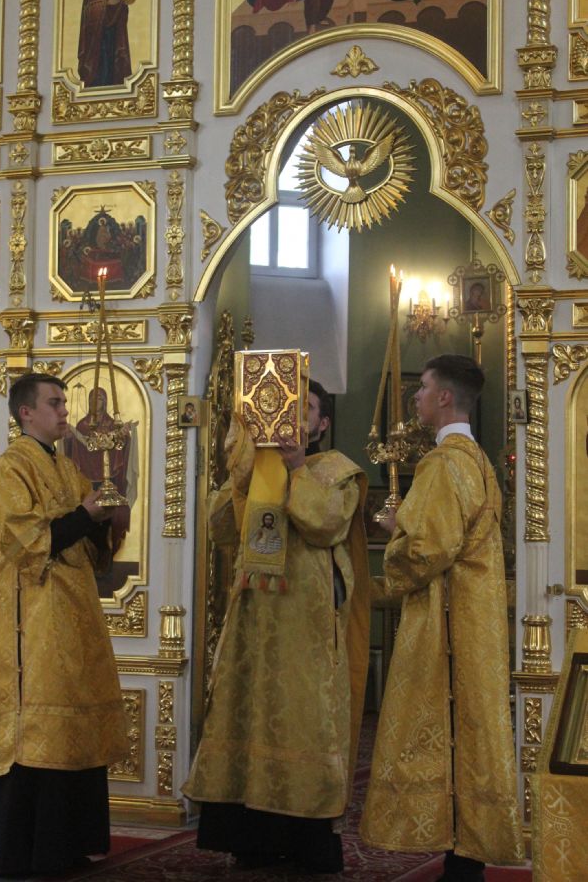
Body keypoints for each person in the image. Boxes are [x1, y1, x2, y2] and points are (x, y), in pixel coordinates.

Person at [183, 380, 370, 875]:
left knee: (306, 722)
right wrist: (244, 476)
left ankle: (308, 842)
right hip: (252, 625)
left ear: (322, 423)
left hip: (306, 630)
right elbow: (220, 529)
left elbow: (326, 524)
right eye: (287, 407)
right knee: (246, 716)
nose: (294, 416)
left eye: (305, 408)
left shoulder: (338, 472)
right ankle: (251, 840)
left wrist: (293, 469)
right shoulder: (256, 471)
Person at [360, 355, 524, 881]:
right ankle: (466, 855)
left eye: (424, 388)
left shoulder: (441, 464)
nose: (417, 397)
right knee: (470, 731)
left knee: (443, 726)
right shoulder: (479, 462)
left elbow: (428, 549)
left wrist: (394, 532)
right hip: (477, 619)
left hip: (445, 621)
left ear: (445, 397)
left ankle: (460, 859)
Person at [0, 373, 128, 878]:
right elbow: (24, 541)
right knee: (39, 735)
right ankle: (28, 854)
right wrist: (86, 513)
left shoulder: (67, 468)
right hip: (31, 625)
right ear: (26, 412)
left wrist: (108, 521)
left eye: (64, 402)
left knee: (71, 733)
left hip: (72, 618)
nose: (65, 411)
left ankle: (66, 847)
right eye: (55, 403)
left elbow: (88, 545)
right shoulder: (10, 468)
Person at [61, 386, 137, 557]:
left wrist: (126, 435)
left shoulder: (113, 424)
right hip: (87, 480)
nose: (95, 403)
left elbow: (121, 445)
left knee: (111, 519)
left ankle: (108, 550)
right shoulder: (82, 425)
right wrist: (69, 439)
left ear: (106, 402)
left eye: (99, 399)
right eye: (92, 399)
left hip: (110, 480)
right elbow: (75, 449)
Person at [77, 0, 134, 87]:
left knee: (110, 59)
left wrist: (122, 4)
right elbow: (89, 8)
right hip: (97, 34)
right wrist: (106, 3)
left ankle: (110, 84)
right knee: (102, 60)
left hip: (111, 31)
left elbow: (114, 4)